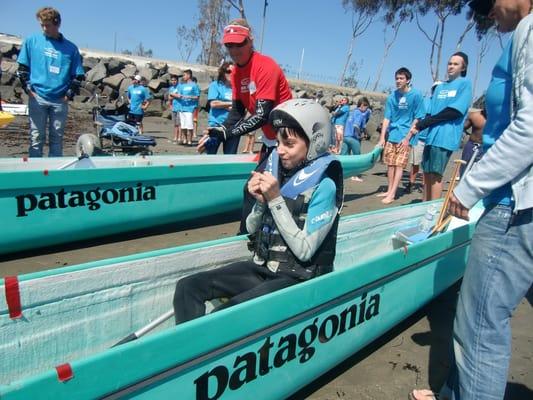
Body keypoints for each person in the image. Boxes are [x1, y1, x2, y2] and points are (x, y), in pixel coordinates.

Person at [410, 1, 533, 399]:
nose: (485, 14)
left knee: (479, 326)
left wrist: (470, 185)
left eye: (486, 3)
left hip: (516, 202)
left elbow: (531, 126)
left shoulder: (529, 30)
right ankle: (452, 390)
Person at [174, 99, 343, 323]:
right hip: (264, 268)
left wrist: (274, 199)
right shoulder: (279, 173)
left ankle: (209, 349)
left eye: (289, 144)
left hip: (298, 280)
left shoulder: (325, 186)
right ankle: (188, 348)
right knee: (188, 286)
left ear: (315, 143)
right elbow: (251, 230)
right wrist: (260, 202)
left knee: (223, 316)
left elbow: (305, 250)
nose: (280, 150)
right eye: (278, 142)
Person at [202, 18, 293, 234]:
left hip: (290, 140)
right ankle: (253, 235)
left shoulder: (265, 66)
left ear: (250, 40)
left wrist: (228, 134)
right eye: (229, 45)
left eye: (239, 44)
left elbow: (262, 115)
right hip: (271, 140)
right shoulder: (235, 73)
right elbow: (237, 112)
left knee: (256, 190)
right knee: (258, 190)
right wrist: (220, 131)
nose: (235, 50)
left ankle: (246, 236)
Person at [17, 6, 84, 157]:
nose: (44, 28)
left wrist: (68, 94)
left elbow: (78, 75)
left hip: (59, 100)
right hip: (37, 97)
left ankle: (54, 174)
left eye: (47, 25)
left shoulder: (71, 48)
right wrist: (28, 89)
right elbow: (22, 68)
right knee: (36, 137)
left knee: (57, 138)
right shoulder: (31, 41)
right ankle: (34, 172)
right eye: (42, 25)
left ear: (57, 24)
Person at [412, 52, 473, 201]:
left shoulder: (465, 84)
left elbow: (454, 111)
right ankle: (423, 207)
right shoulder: (439, 87)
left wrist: (424, 124)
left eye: (456, 64)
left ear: (463, 68)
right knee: (426, 174)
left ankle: (432, 211)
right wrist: (416, 127)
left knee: (435, 176)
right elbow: (430, 112)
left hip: (445, 137)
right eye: (450, 63)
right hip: (431, 137)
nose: (451, 66)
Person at [378, 67, 425, 204]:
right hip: (393, 134)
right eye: (397, 78)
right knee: (390, 165)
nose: (398, 81)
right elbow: (387, 118)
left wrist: (407, 138)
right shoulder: (392, 96)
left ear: (408, 80)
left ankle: (392, 194)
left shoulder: (416, 95)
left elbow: (418, 117)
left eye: (401, 78)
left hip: (406, 136)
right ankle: (389, 189)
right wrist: (382, 137)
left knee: (399, 165)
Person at [198, 62, 234, 154]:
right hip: (215, 125)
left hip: (232, 127)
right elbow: (213, 103)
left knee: (230, 157)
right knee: (211, 155)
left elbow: (242, 107)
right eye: (228, 71)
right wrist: (231, 104)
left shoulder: (237, 88)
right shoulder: (215, 85)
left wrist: (223, 105)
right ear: (222, 72)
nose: (231, 74)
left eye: (234, 72)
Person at [342, 96, 371, 182]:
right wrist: (359, 135)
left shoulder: (352, 112)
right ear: (362, 105)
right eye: (366, 107)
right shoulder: (360, 114)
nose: (366, 110)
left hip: (346, 136)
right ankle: (354, 175)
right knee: (357, 157)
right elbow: (356, 125)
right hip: (353, 138)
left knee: (344, 155)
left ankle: (342, 172)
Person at [460, 107, 486, 176]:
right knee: (464, 169)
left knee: (482, 173)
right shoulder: (474, 115)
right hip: (471, 146)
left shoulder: (500, 119)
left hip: (487, 148)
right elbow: (461, 128)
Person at [177, 69, 200, 146]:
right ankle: (184, 140)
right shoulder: (182, 85)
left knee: (189, 125)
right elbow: (179, 95)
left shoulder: (194, 85)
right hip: (181, 108)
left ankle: (190, 141)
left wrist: (189, 96)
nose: (183, 77)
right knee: (183, 125)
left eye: (184, 75)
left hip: (190, 108)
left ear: (189, 75)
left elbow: (197, 97)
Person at [168, 74, 182, 144]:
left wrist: (172, 95)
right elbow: (169, 98)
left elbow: (180, 96)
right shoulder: (171, 88)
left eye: (175, 80)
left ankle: (179, 137)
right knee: (175, 124)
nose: (173, 81)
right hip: (174, 108)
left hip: (180, 108)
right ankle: (175, 137)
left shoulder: (180, 87)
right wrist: (170, 103)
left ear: (177, 80)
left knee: (179, 124)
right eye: (172, 80)